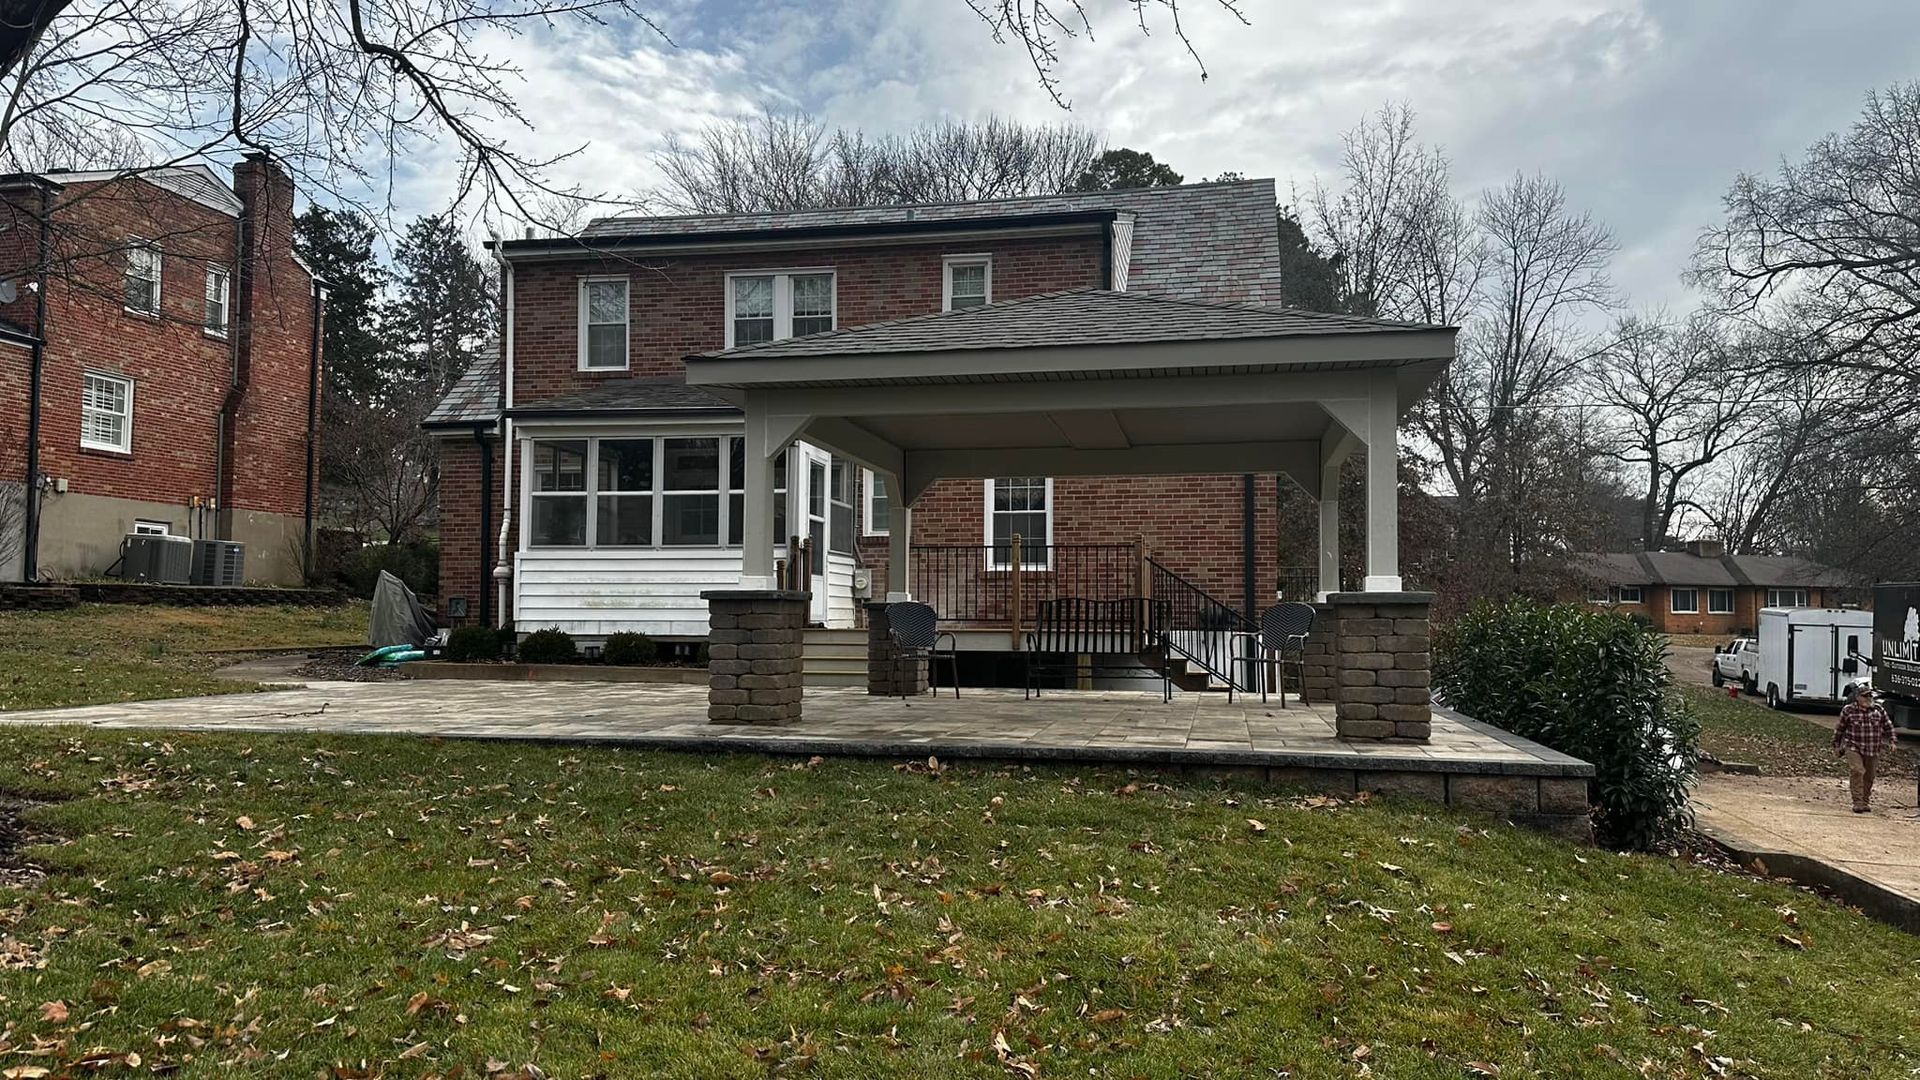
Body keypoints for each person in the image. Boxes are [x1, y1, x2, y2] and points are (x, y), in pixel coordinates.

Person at [1834, 684, 1897, 813]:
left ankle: (1865, 801)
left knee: (1869, 776)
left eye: (1870, 695)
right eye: (1865, 696)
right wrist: (1836, 745)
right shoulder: (1848, 710)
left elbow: (1888, 726)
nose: (1868, 698)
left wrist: (1892, 741)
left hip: (1873, 749)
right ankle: (1857, 802)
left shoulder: (1878, 710)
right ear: (1857, 697)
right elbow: (1840, 729)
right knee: (1857, 770)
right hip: (1853, 746)